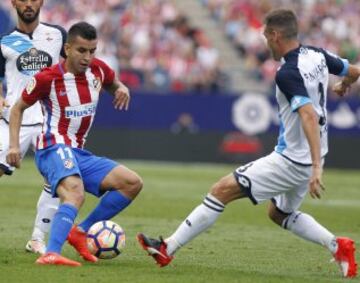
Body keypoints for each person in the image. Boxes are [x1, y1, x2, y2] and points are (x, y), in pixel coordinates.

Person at [136, 9, 359, 278]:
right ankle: (338, 247)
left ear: (275, 35)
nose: (265, 42)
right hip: (313, 154)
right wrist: (344, 84)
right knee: (279, 213)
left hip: (293, 160)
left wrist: (315, 169)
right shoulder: (318, 55)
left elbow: (308, 115)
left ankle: (167, 248)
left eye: (266, 36)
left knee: (221, 190)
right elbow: (354, 71)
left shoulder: (287, 73)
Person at [6, 21, 143, 266]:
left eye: (92, 51)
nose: (88, 57)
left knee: (131, 183)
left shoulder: (99, 70)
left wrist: (122, 88)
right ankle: (51, 252)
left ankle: (81, 231)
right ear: (67, 49)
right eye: (82, 50)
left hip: (78, 152)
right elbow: (17, 109)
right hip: (51, 148)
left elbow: (113, 83)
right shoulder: (47, 78)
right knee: (75, 193)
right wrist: (14, 146)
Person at [0, 0, 66, 254]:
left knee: (59, 177)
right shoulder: (5, 41)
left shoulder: (57, 35)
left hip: (50, 121)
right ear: (14, 3)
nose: (29, 4)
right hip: (14, 118)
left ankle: (38, 237)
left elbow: (71, 69)